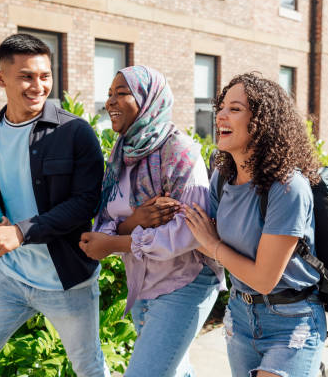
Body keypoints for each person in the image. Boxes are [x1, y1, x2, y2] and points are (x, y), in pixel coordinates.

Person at [0, 34, 108, 376]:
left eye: (45, 76)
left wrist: (21, 232)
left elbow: (86, 203)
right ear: (0, 78)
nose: (38, 86)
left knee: (88, 367)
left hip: (68, 281)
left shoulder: (75, 132)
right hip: (10, 276)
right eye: (26, 76)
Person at [79, 65, 225, 377]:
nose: (110, 102)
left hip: (185, 282)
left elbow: (190, 230)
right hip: (143, 282)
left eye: (121, 93)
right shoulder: (121, 153)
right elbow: (105, 218)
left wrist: (116, 242)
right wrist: (132, 222)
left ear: (149, 100)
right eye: (108, 95)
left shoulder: (179, 151)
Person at [184, 73, 327, 377]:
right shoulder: (222, 178)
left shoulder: (288, 187)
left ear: (264, 123)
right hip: (240, 315)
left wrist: (213, 245)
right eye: (221, 107)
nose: (221, 114)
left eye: (235, 109)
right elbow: (197, 234)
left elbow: (264, 279)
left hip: (291, 320)